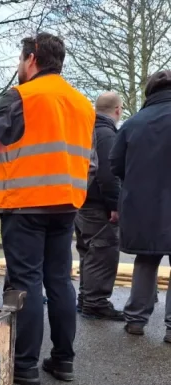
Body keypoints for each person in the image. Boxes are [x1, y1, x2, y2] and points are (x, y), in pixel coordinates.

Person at [0, 33, 96, 385]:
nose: (18, 66)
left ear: (31, 59)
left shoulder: (21, 96)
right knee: (59, 281)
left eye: (20, 60)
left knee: (27, 282)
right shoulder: (83, 105)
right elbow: (90, 160)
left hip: (25, 205)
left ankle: (24, 365)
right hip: (67, 205)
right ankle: (63, 359)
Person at [110, 69, 171, 342]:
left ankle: (136, 319)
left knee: (146, 259)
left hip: (143, 204)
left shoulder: (133, 123)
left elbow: (115, 164)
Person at [75, 92, 124, 320]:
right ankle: (95, 302)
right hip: (98, 204)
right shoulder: (106, 134)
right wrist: (114, 205)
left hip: (81, 201)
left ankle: (85, 299)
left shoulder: (85, 129)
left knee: (88, 251)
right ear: (117, 110)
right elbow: (108, 172)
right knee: (102, 252)